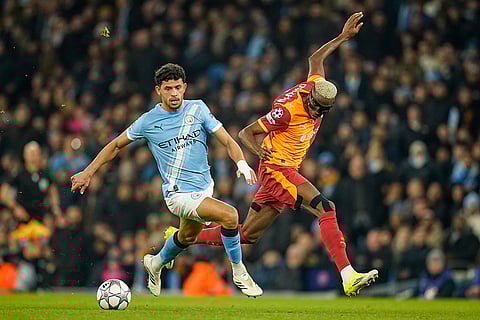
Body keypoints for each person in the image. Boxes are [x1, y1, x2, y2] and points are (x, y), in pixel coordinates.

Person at [166, 12, 378, 296]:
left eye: (321, 111)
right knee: (325, 208)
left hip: (283, 170)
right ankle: (347, 274)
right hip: (278, 170)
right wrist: (260, 152)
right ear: (310, 99)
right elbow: (245, 133)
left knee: (245, 235)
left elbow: (315, 60)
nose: (316, 113)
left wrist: (342, 37)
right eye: (314, 107)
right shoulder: (287, 111)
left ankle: (180, 238)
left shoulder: (316, 86)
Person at [71, 63, 262, 297]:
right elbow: (115, 145)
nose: (174, 93)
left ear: (185, 88)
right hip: (177, 194)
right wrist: (88, 172)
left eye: (178, 88)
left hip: (204, 188)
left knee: (187, 237)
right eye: (169, 88)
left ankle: (156, 262)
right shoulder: (148, 121)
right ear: (158, 90)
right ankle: (239, 271)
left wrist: (241, 162)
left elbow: (229, 141)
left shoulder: (198, 109)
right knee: (230, 216)